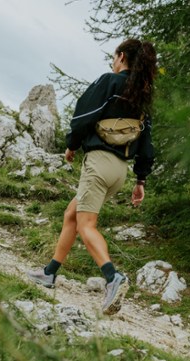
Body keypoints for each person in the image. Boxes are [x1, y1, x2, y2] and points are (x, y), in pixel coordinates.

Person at [28, 38, 157, 315]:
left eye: (115, 57)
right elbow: (147, 145)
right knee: (72, 215)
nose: (113, 62)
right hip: (120, 171)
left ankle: (113, 278)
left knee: (87, 225)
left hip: (99, 163)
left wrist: (72, 144)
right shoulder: (142, 98)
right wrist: (140, 181)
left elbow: (83, 116)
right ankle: (49, 273)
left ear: (121, 57)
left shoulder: (110, 82)